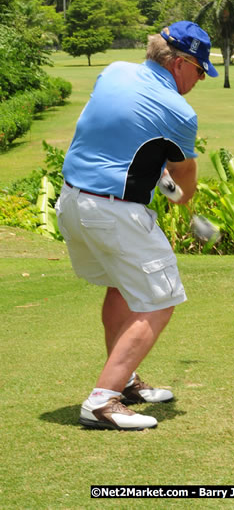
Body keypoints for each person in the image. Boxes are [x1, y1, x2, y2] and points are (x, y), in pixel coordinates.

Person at [55, 21, 218, 431]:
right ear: (179, 64)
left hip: (73, 201)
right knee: (161, 301)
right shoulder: (180, 111)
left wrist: (155, 171)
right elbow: (185, 177)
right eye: (199, 71)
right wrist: (181, 195)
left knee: (122, 287)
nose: (199, 80)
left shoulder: (114, 71)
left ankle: (125, 382)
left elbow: (118, 126)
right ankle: (103, 400)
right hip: (114, 213)